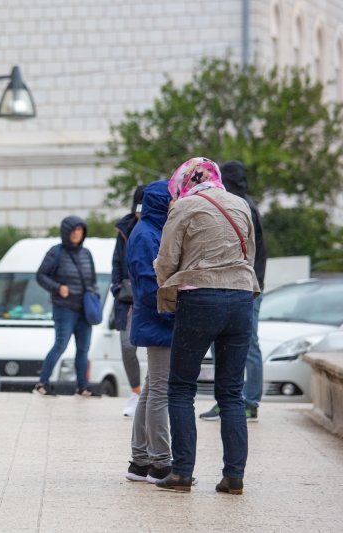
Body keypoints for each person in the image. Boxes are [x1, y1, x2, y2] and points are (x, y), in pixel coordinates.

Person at [153, 157, 259, 495]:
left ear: (184, 181)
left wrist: (168, 286)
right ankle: (234, 476)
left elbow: (167, 259)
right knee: (231, 393)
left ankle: (182, 473)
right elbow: (250, 256)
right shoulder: (241, 205)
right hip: (242, 300)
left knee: (182, 388)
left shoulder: (184, 207)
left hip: (201, 299)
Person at [200, 161, 267, 423]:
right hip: (238, 284)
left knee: (248, 344)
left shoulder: (243, 206)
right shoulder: (242, 203)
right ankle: (227, 400)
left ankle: (248, 402)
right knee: (226, 344)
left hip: (246, 286)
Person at [124, 180, 175, 484]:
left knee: (151, 388)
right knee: (159, 391)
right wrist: (171, 314)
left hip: (155, 318)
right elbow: (148, 285)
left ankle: (140, 460)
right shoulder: (146, 235)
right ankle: (160, 463)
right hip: (158, 319)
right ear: (159, 203)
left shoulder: (150, 231)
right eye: (171, 202)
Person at [35, 216, 98, 397]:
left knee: (83, 350)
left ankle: (82, 387)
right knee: (60, 345)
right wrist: (57, 288)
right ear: (66, 232)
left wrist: (94, 294)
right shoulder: (56, 252)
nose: (77, 233)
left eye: (80, 230)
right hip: (64, 308)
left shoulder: (86, 253)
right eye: (73, 230)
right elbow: (40, 276)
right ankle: (42, 383)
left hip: (84, 310)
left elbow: (92, 279)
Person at [111, 185, 145, 416]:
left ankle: (155, 396)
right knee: (127, 345)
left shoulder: (163, 225)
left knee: (158, 347)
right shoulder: (125, 228)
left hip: (151, 294)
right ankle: (136, 392)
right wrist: (116, 287)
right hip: (127, 297)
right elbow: (116, 262)